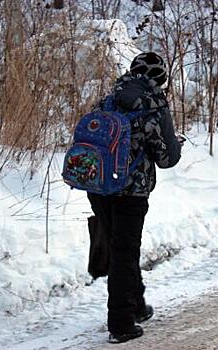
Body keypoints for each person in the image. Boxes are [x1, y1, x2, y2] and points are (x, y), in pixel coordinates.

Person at [87, 52, 183, 344]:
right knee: (124, 252)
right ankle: (121, 323)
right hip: (131, 190)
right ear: (160, 78)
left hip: (99, 186)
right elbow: (167, 158)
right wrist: (175, 144)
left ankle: (137, 306)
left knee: (122, 249)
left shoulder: (108, 98)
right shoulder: (154, 104)